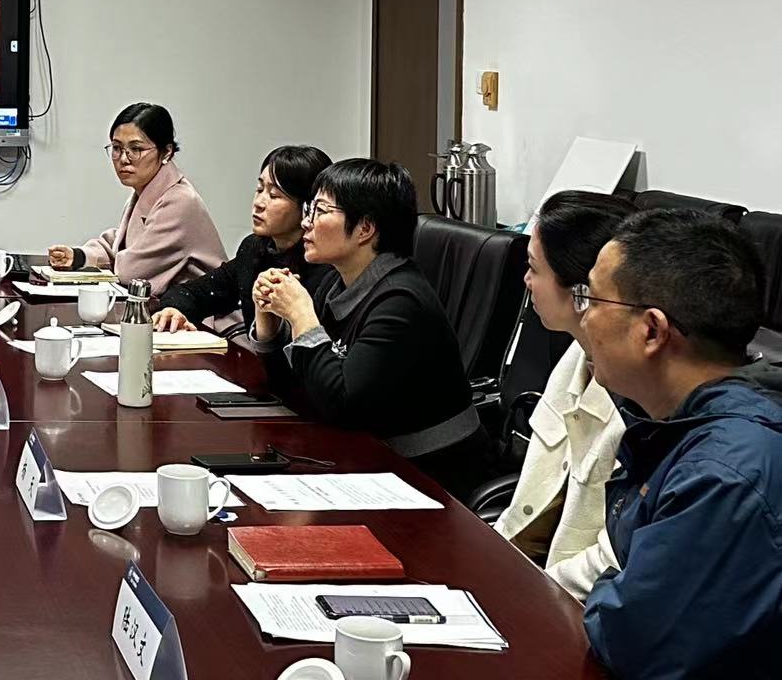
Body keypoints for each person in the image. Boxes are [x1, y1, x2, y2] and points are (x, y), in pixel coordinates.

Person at [578, 210, 781, 678]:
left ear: (652, 330)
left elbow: (631, 638)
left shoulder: (726, 473)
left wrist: (613, 588)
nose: (583, 317)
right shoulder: (689, 426)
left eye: (592, 297)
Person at [250, 158, 488, 495]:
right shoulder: (336, 284)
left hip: (430, 476)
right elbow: (298, 390)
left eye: (320, 211)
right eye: (309, 209)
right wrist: (269, 325)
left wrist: (302, 315)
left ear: (365, 229)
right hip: (369, 460)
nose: (306, 223)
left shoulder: (400, 302)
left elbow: (342, 406)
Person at [494, 190, 634, 599]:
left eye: (533, 268)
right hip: (528, 574)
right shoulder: (576, 354)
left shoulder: (639, 397)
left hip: (571, 602)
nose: (526, 281)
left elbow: (614, 558)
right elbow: (531, 510)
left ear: (583, 290)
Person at [152, 145, 333, 334]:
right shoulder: (255, 248)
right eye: (259, 189)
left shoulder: (324, 264)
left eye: (274, 195)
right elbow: (195, 293)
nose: (259, 203)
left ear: (308, 207)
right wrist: (174, 310)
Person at [47, 102, 224, 295]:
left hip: (206, 311)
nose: (124, 159)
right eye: (117, 148)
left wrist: (105, 259)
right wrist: (79, 256)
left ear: (167, 152)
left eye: (136, 149)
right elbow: (122, 244)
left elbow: (131, 272)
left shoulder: (180, 201)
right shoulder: (148, 190)